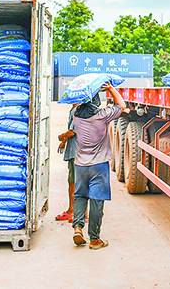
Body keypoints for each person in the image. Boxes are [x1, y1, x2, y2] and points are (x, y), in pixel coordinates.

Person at [71, 83, 125, 250]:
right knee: (96, 201)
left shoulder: (75, 115)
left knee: (80, 196)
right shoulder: (102, 116)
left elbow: (77, 105)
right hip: (99, 166)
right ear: (96, 103)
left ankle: (78, 227)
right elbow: (121, 105)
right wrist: (110, 89)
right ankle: (94, 239)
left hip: (80, 164)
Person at [55, 104, 78, 222]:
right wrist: (64, 141)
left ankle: (77, 213)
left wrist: (62, 136)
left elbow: (72, 132)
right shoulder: (74, 109)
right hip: (73, 151)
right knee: (72, 182)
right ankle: (71, 209)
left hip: (77, 152)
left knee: (76, 183)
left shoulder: (78, 110)